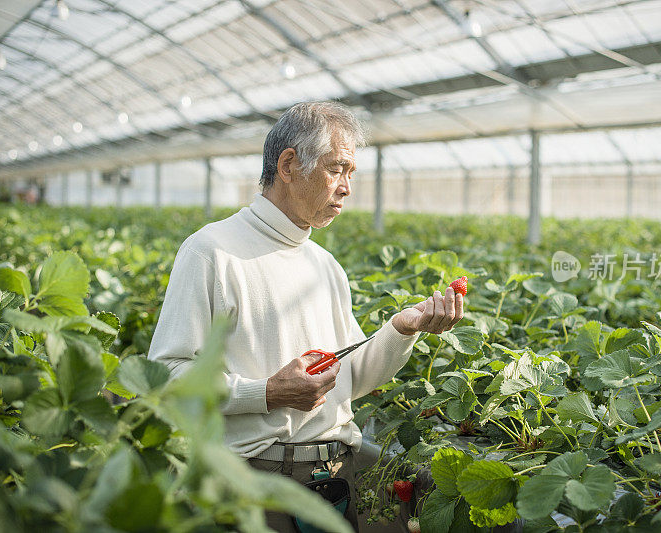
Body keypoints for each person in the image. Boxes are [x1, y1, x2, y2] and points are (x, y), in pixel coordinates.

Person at [148, 101, 464, 531]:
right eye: (337, 169)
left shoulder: (325, 266)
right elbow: (165, 376)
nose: (347, 188)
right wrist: (266, 393)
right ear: (289, 165)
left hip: (336, 477)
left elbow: (351, 377)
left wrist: (400, 330)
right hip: (254, 483)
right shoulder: (212, 253)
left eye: (352, 173)